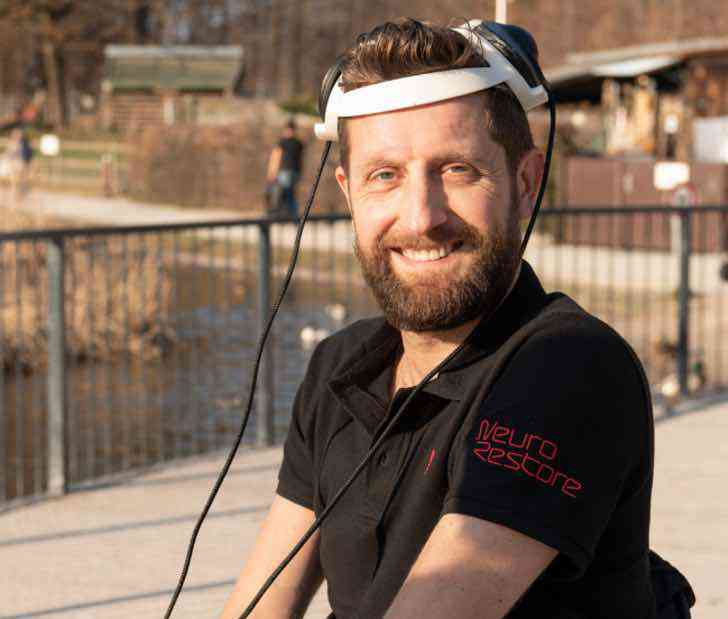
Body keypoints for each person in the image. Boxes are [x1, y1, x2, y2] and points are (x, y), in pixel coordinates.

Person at [221, 18, 688, 618]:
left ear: (526, 182)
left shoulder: (567, 367)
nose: (422, 217)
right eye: (384, 176)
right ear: (347, 193)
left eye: (457, 170)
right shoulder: (340, 367)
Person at [266, 119, 304, 218]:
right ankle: (289, 213)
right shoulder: (284, 142)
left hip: (291, 171)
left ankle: (288, 213)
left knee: (288, 193)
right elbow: (276, 156)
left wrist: (272, 171)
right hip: (286, 171)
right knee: (287, 192)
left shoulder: (296, 143)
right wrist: (272, 171)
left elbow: (299, 159)